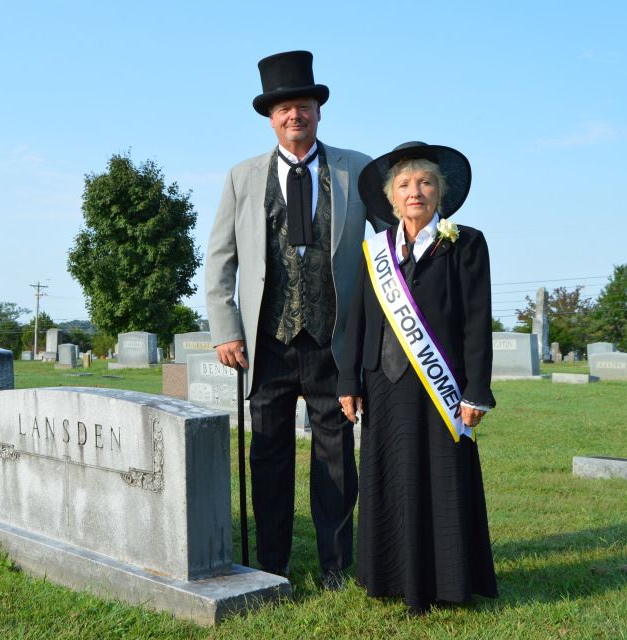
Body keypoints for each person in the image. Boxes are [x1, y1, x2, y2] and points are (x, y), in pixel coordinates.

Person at [205, 50, 386, 589]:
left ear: (318, 111)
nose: (294, 117)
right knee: (269, 455)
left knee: (336, 456)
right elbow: (221, 258)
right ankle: (272, 562)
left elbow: (390, 240)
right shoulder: (242, 176)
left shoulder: (358, 169)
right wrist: (225, 328)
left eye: (303, 106)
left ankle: (335, 565)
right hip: (267, 341)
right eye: (284, 110)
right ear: (270, 117)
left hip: (336, 341)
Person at [337, 141, 498, 612]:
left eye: (426, 182)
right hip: (384, 383)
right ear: (390, 198)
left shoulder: (465, 243)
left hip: (442, 386)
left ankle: (446, 582)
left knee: (441, 479)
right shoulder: (375, 252)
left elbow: (476, 320)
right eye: (404, 184)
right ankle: (390, 578)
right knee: (392, 478)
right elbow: (358, 320)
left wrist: (477, 390)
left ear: (440, 193)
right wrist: (349, 381)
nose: (415, 192)